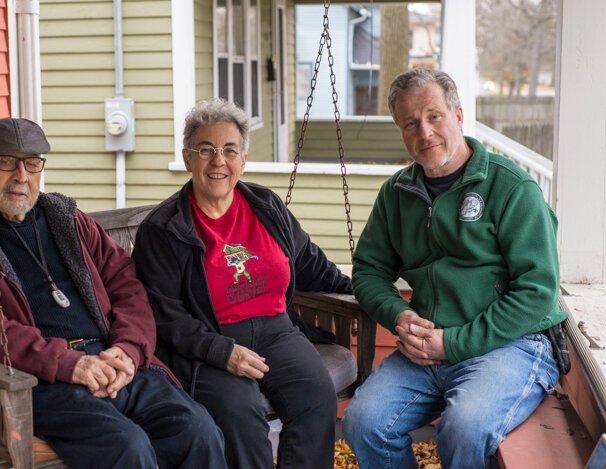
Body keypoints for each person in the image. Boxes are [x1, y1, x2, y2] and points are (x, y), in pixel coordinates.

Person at [0, 118, 226, 469]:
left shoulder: (66, 219)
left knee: (199, 431)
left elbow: (126, 284)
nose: (21, 175)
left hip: (111, 361)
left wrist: (127, 350)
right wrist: (69, 364)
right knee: (127, 448)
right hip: (41, 379)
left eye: (32, 163)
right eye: (6, 161)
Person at [342, 69, 568, 468]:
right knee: (364, 422)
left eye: (434, 116)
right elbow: (368, 270)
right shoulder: (397, 194)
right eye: (410, 123)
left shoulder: (510, 187)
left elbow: (538, 291)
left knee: (464, 427)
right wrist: (401, 316)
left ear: (459, 116)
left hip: (511, 343)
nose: (424, 132)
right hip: (428, 346)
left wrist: (454, 343)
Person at [131, 99, 352, 469]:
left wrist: (357, 290)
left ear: (243, 159)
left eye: (229, 150)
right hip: (209, 343)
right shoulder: (164, 229)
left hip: (278, 332)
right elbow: (165, 315)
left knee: (315, 396)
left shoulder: (265, 205)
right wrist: (222, 352)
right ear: (188, 159)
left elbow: (309, 262)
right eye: (206, 149)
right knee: (239, 416)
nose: (219, 160)